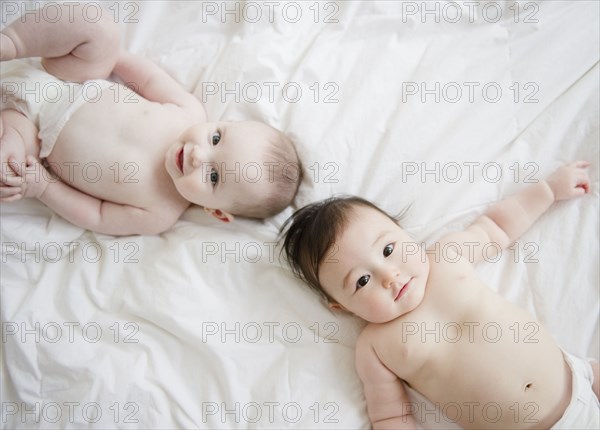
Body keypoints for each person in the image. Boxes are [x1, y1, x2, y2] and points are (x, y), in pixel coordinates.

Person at [280, 161, 598, 429]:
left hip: (580, 378)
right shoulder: (374, 348)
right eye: (362, 281)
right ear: (342, 307)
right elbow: (391, 414)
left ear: (404, 233)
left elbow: (496, 227)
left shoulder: (447, 256)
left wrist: (548, 191)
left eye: (388, 249)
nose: (390, 276)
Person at [0, 3, 301, 236]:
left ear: (216, 212)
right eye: (216, 139)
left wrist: (43, 188)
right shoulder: (190, 111)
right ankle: (11, 43)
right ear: (227, 123)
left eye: (213, 177)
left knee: (7, 172)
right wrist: (108, 56)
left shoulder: (159, 213)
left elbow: (97, 215)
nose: (199, 156)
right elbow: (148, 78)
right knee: (99, 27)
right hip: (74, 77)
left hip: (32, 132)